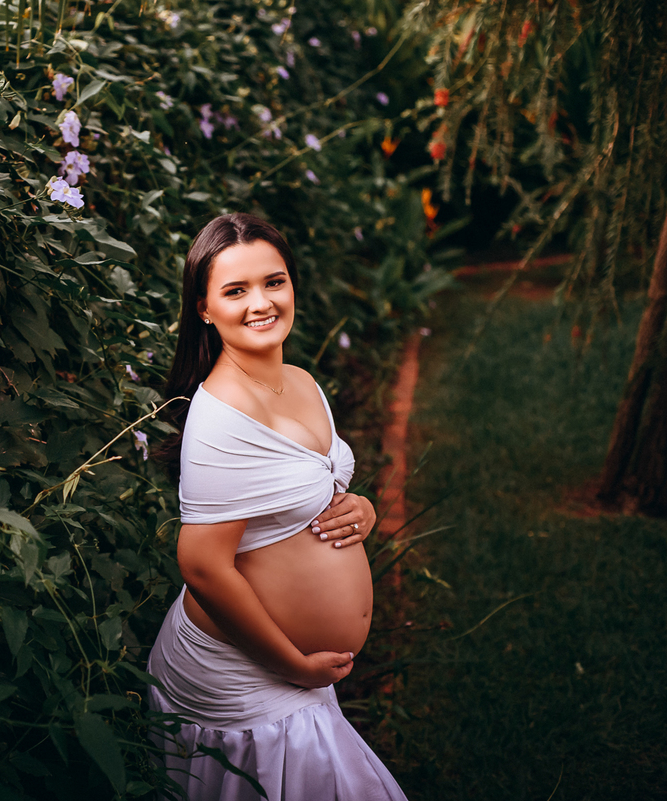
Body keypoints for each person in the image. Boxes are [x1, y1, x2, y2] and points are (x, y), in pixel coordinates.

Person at [147, 213, 407, 800]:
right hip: (246, 677)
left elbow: (309, 492)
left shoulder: (300, 381)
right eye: (235, 291)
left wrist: (359, 509)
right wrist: (293, 665)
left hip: (292, 672)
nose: (261, 302)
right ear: (203, 309)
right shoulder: (221, 417)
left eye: (275, 281)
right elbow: (202, 566)